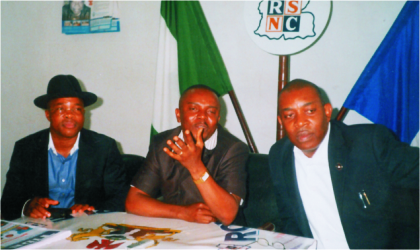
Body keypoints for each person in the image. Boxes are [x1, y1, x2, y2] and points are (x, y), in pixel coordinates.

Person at [269, 79, 419, 249]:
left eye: (310, 111)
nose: (300, 122)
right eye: (289, 115)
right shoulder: (279, 156)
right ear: (281, 121)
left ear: (327, 112)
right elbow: (290, 219)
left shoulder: (369, 144)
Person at [1, 75, 127, 220]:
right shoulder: (26, 148)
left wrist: (93, 210)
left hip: (84, 227)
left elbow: (120, 198)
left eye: (77, 109)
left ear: (84, 114)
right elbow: (8, 202)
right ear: (48, 114)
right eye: (61, 109)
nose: (69, 115)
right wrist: (27, 206)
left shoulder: (104, 147)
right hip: (40, 226)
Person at [126, 85, 249, 226]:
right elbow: (133, 202)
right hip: (177, 226)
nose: (203, 116)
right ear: (178, 115)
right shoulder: (162, 143)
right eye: (194, 109)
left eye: (211, 111)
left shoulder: (234, 149)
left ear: (218, 118)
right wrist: (183, 213)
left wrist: (195, 167)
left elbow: (227, 215)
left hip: (221, 233)